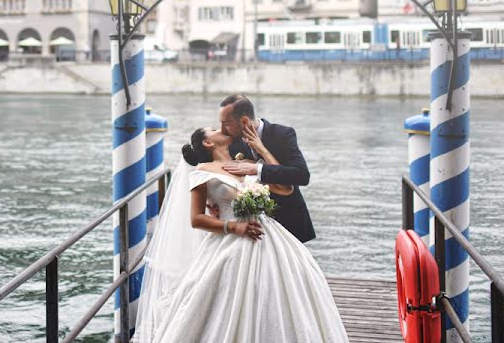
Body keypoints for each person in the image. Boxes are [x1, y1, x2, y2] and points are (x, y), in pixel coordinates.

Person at [133, 127, 347, 343]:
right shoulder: (203, 171)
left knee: (279, 289)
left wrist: (261, 150)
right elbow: (196, 219)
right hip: (232, 240)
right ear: (208, 143)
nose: (221, 128)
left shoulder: (244, 163)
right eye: (214, 129)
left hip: (268, 234)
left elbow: (285, 188)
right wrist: (234, 227)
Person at [216, 94, 315, 243]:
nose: (223, 129)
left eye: (226, 123)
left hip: (290, 222)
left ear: (244, 121)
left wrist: (258, 165)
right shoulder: (232, 144)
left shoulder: (283, 134)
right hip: (254, 228)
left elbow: (301, 175)